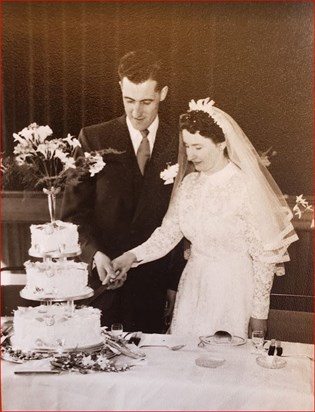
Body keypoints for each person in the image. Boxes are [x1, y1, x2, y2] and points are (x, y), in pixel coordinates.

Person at [109, 98, 298, 338]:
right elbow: (168, 234)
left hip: (233, 289)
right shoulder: (189, 184)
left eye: (198, 147)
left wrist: (259, 314)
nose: (190, 155)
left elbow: (264, 258)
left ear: (220, 144)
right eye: (187, 146)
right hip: (193, 286)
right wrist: (131, 257)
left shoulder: (245, 187)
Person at [61, 49, 185, 333]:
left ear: (163, 93)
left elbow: (185, 222)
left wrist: (174, 283)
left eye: (146, 102)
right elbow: (72, 214)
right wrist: (95, 255)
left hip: (154, 284)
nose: (136, 111)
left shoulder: (180, 144)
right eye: (129, 100)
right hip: (100, 285)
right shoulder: (93, 138)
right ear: (120, 88)